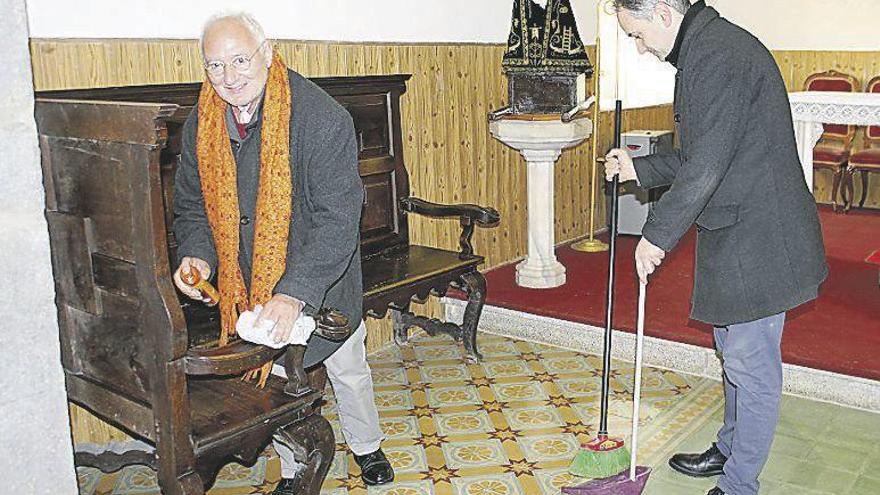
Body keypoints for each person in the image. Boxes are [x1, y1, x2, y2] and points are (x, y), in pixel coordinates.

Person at [604, 1, 827, 494]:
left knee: (751, 363)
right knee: (732, 350)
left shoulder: (719, 55)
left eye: (637, 33)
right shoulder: (704, 50)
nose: (639, 48)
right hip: (740, 226)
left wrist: (655, 236)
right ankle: (730, 447)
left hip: (762, 237)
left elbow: (706, 166)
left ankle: (739, 484)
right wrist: (640, 168)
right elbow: (705, 152)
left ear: (663, 12)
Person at [171, 12, 394, 493]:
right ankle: (298, 468)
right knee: (278, 380)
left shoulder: (321, 118)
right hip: (250, 281)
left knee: (346, 366)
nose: (229, 77)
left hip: (323, 278)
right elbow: (192, 204)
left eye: (239, 60)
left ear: (267, 53)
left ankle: (366, 444)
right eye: (214, 65)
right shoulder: (202, 124)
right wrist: (198, 255)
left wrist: (294, 293)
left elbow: (338, 219)